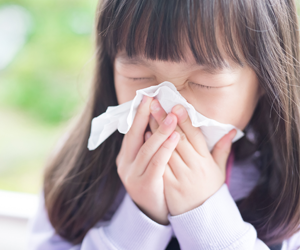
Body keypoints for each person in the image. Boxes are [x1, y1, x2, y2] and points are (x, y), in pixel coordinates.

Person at [27, 0, 300, 249]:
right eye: (138, 76)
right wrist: (140, 219)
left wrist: (204, 215)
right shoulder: (80, 171)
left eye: (204, 82)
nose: (169, 107)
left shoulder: (290, 181)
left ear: (268, 79)